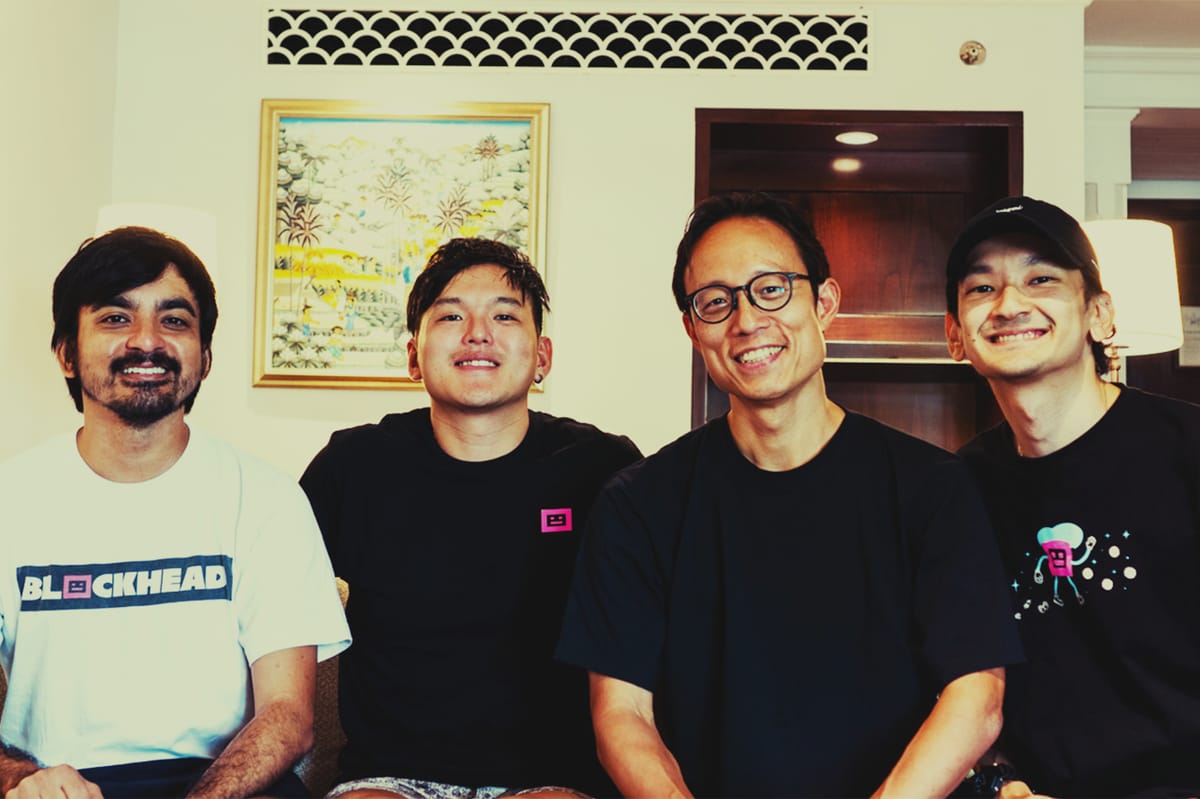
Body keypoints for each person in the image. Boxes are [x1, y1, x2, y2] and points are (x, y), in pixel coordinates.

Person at [556, 191, 1023, 798]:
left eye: (772, 288)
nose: (747, 320)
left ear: (824, 303)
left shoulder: (931, 487)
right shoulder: (637, 505)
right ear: (692, 330)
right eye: (716, 302)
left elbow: (977, 694)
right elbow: (621, 715)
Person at [0, 226, 351, 799]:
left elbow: (288, 716)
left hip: (228, 784)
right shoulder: (10, 498)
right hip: (60, 786)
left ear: (204, 358)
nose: (147, 341)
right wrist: (20, 778)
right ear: (66, 353)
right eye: (116, 318)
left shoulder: (266, 498)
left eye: (175, 320)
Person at [300, 238, 642, 799]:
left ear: (543, 356)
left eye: (504, 316)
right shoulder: (354, 465)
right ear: (414, 355)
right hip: (387, 775)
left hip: (552, 778)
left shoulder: (601, 467)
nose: (478, 333)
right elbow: (272, 602)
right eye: (451, 316)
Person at [944, 195, 1200, 798]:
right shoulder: (957, 487)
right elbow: (963, 676)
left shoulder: (1187, 449)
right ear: (955, 336)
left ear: (1100, 315)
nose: (1010, 304)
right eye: (982, 288)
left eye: (1041, 279)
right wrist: (1000, 783)